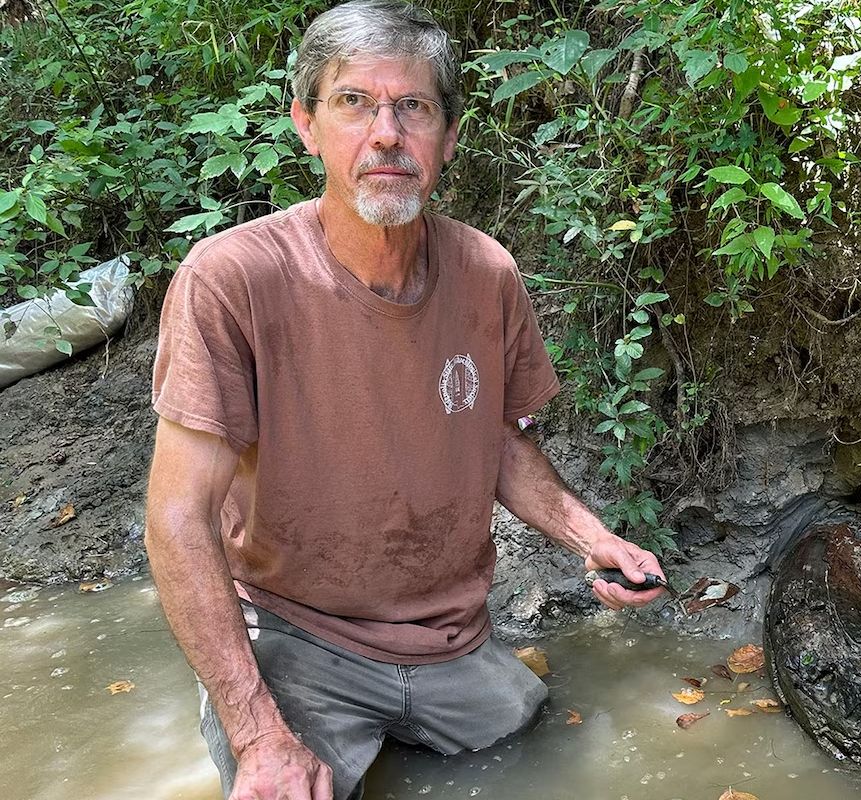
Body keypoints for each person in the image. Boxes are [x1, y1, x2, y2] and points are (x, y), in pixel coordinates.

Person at [143, 2, 667, 798]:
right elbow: (176, 519)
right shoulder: (232, 280)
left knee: (538, 745)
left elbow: (494, 441)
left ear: (447, 139)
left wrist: (592, 538)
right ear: (307, 125)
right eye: (354, 102)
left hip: (448, 640)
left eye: (413, 106)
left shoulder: (485, 273)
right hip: (295, 634)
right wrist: (257, 733)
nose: (386, 131)